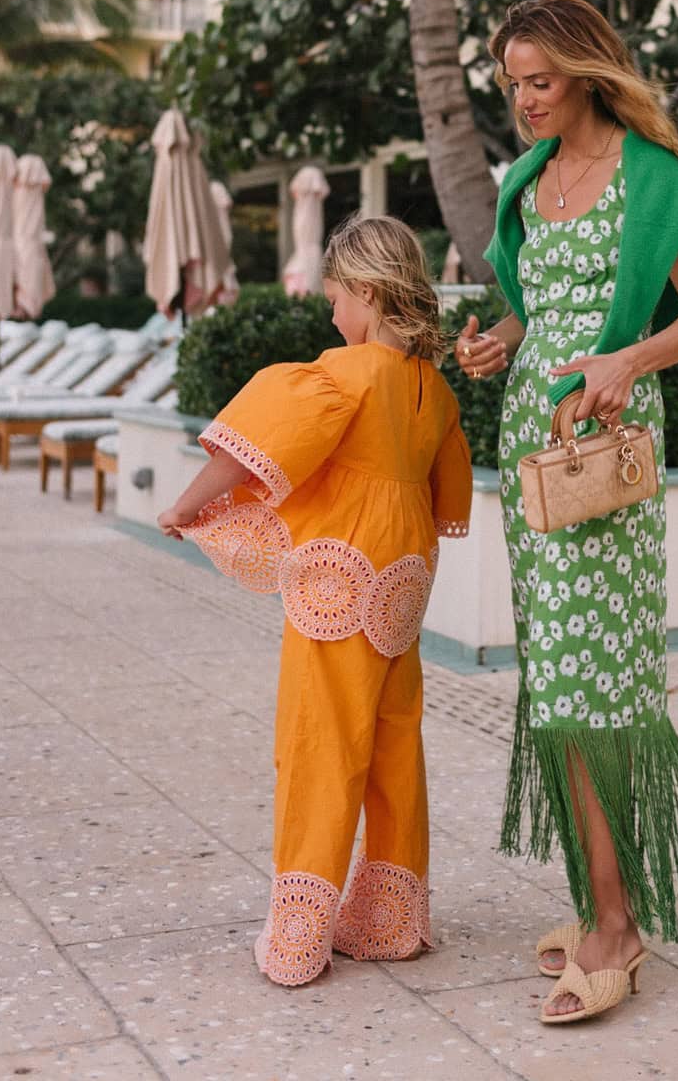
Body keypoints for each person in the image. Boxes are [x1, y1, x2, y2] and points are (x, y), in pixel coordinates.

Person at [456, 0, 678, 1026]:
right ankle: (601, 900)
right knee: (561, 673)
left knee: (593, 678)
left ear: (585, 73)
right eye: (513, 84)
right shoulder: (529, 181)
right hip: (535, 447)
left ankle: (617, 925)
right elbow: (541, 307)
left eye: (539, 80)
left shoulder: (652, 179)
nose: (524, 101)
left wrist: (626, 356)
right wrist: (499, 342)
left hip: (611, 454)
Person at [157, 214, 472, 987]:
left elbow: (250, 449)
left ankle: (299, 940)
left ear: (367, 292)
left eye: (335, 297)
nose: (331, 314)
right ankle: (391, 923)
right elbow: (445, 501)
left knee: (318, 752)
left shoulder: (345, 375)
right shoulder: (434, 392)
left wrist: (184, 508)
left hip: (341, 593)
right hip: (401, 595)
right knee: (395, 750)